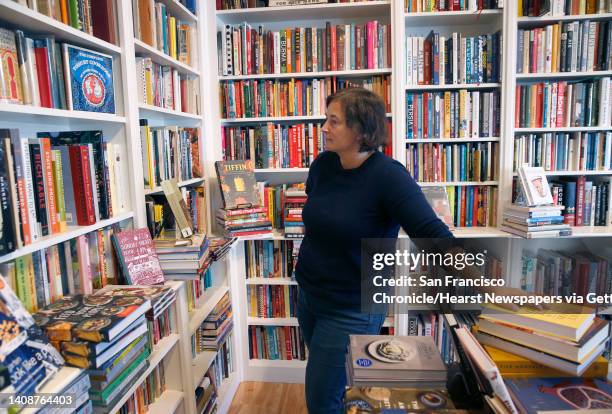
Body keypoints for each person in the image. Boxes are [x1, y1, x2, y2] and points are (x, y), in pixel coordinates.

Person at [295, 87, 454, 414]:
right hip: (310, 296)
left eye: (334, 121)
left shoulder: (389, 176)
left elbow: (431, 233)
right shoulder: (323, 166)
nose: (324, 127)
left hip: (352, 306)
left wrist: (472, 280)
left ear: (361, 130)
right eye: (327, 118)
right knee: (332, 388)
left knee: (321, 400)